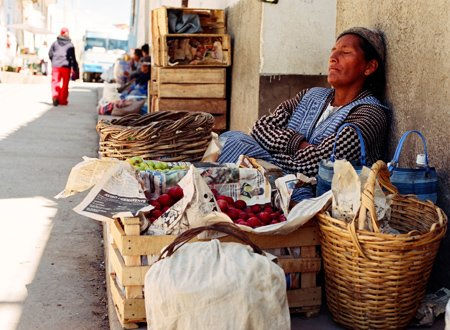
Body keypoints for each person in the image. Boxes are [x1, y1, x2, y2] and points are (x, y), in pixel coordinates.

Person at [218, 27, 389, 200]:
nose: (333, 58)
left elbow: (317, 166)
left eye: (345, 52)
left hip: (314, 192)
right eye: (333, 51)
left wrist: (266, 155)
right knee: (230, 139)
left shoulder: (370, 113)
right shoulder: (311, 95)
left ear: (369, 67)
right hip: (281, 174)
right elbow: (260, 128)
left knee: (294, 189)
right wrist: (298, 143)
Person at [49, 28, 79, 106]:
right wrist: (75, 67)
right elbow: (73, 57)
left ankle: (55, 96)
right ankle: (62, 101)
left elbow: (50, 53)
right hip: (66, 66)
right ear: (67, 33)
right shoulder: (70, 45)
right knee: (65, 84)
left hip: (56, 65)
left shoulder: (55, 43)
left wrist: (53, 60)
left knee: (55, 82)